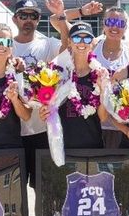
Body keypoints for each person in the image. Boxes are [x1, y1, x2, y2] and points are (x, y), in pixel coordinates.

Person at [10, 0, 91, 183]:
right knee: (14, 189)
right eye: (23, 15)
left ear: (39, 19)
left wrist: (61, 14)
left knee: (41, 187)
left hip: (42, 129)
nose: (28, 19)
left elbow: (68, 47)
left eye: (33, 15)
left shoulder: (46, 43)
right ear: (15, 19)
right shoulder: (4, 45)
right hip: (12, 130)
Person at [43, 21, 109, 149]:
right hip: (61, 145)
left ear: (92, 42)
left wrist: (102, 90)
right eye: (77, 38)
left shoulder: (100, 74)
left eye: (87, 39)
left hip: (93, 146)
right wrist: (43, 111)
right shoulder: (58, 72)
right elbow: (45, 105)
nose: (82, 43)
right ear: (69, 42)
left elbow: (103, 118)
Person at [95, 7, 129, 149]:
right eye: (110, 22)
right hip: (94, 123)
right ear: (103, 24)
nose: (115, 27)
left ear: (126, 27)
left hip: (121, 128)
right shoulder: (92, 47)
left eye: (120, 23)